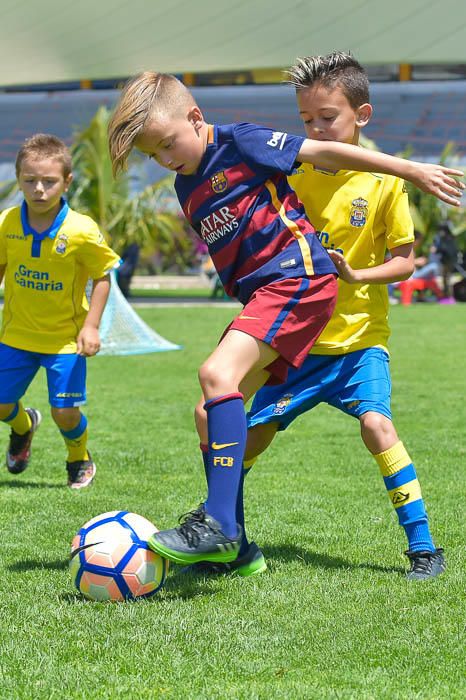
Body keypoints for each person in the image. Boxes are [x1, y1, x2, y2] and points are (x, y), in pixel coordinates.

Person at [108, 70, 463, 568]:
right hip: (274, 299)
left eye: (168, 144)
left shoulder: (242, 141)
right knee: (206, 413)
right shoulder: (187, 185)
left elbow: (326, 155)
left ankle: (221, 525)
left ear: (195, 117)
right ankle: (238, 546)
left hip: (300, 283)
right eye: (154, 155)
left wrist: (409, 170)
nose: (166, 160)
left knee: (217, 374)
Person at [189, 52, 449, 581]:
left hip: (358, 344)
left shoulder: (383, 183)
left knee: (378, 426)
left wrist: (357, 275)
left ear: (363, 114)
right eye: (306, 119)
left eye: (327, 117)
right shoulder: (293, 169)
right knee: (244, 437)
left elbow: (406, 262)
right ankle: (225, 533)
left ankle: (423, 547)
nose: (315, 127)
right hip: (296, 345)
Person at [0, 134, 121, 488]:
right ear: (19, 178)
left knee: (65, 413)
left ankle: (77, 458)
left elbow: (102, 277)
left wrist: (91, 327)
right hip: (16, 335)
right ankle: (24, 427)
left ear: (66, 181)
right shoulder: (6, 223)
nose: (39, 189)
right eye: (30, 180)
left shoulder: (81, 229)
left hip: (65, 341)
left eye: (49, 181)